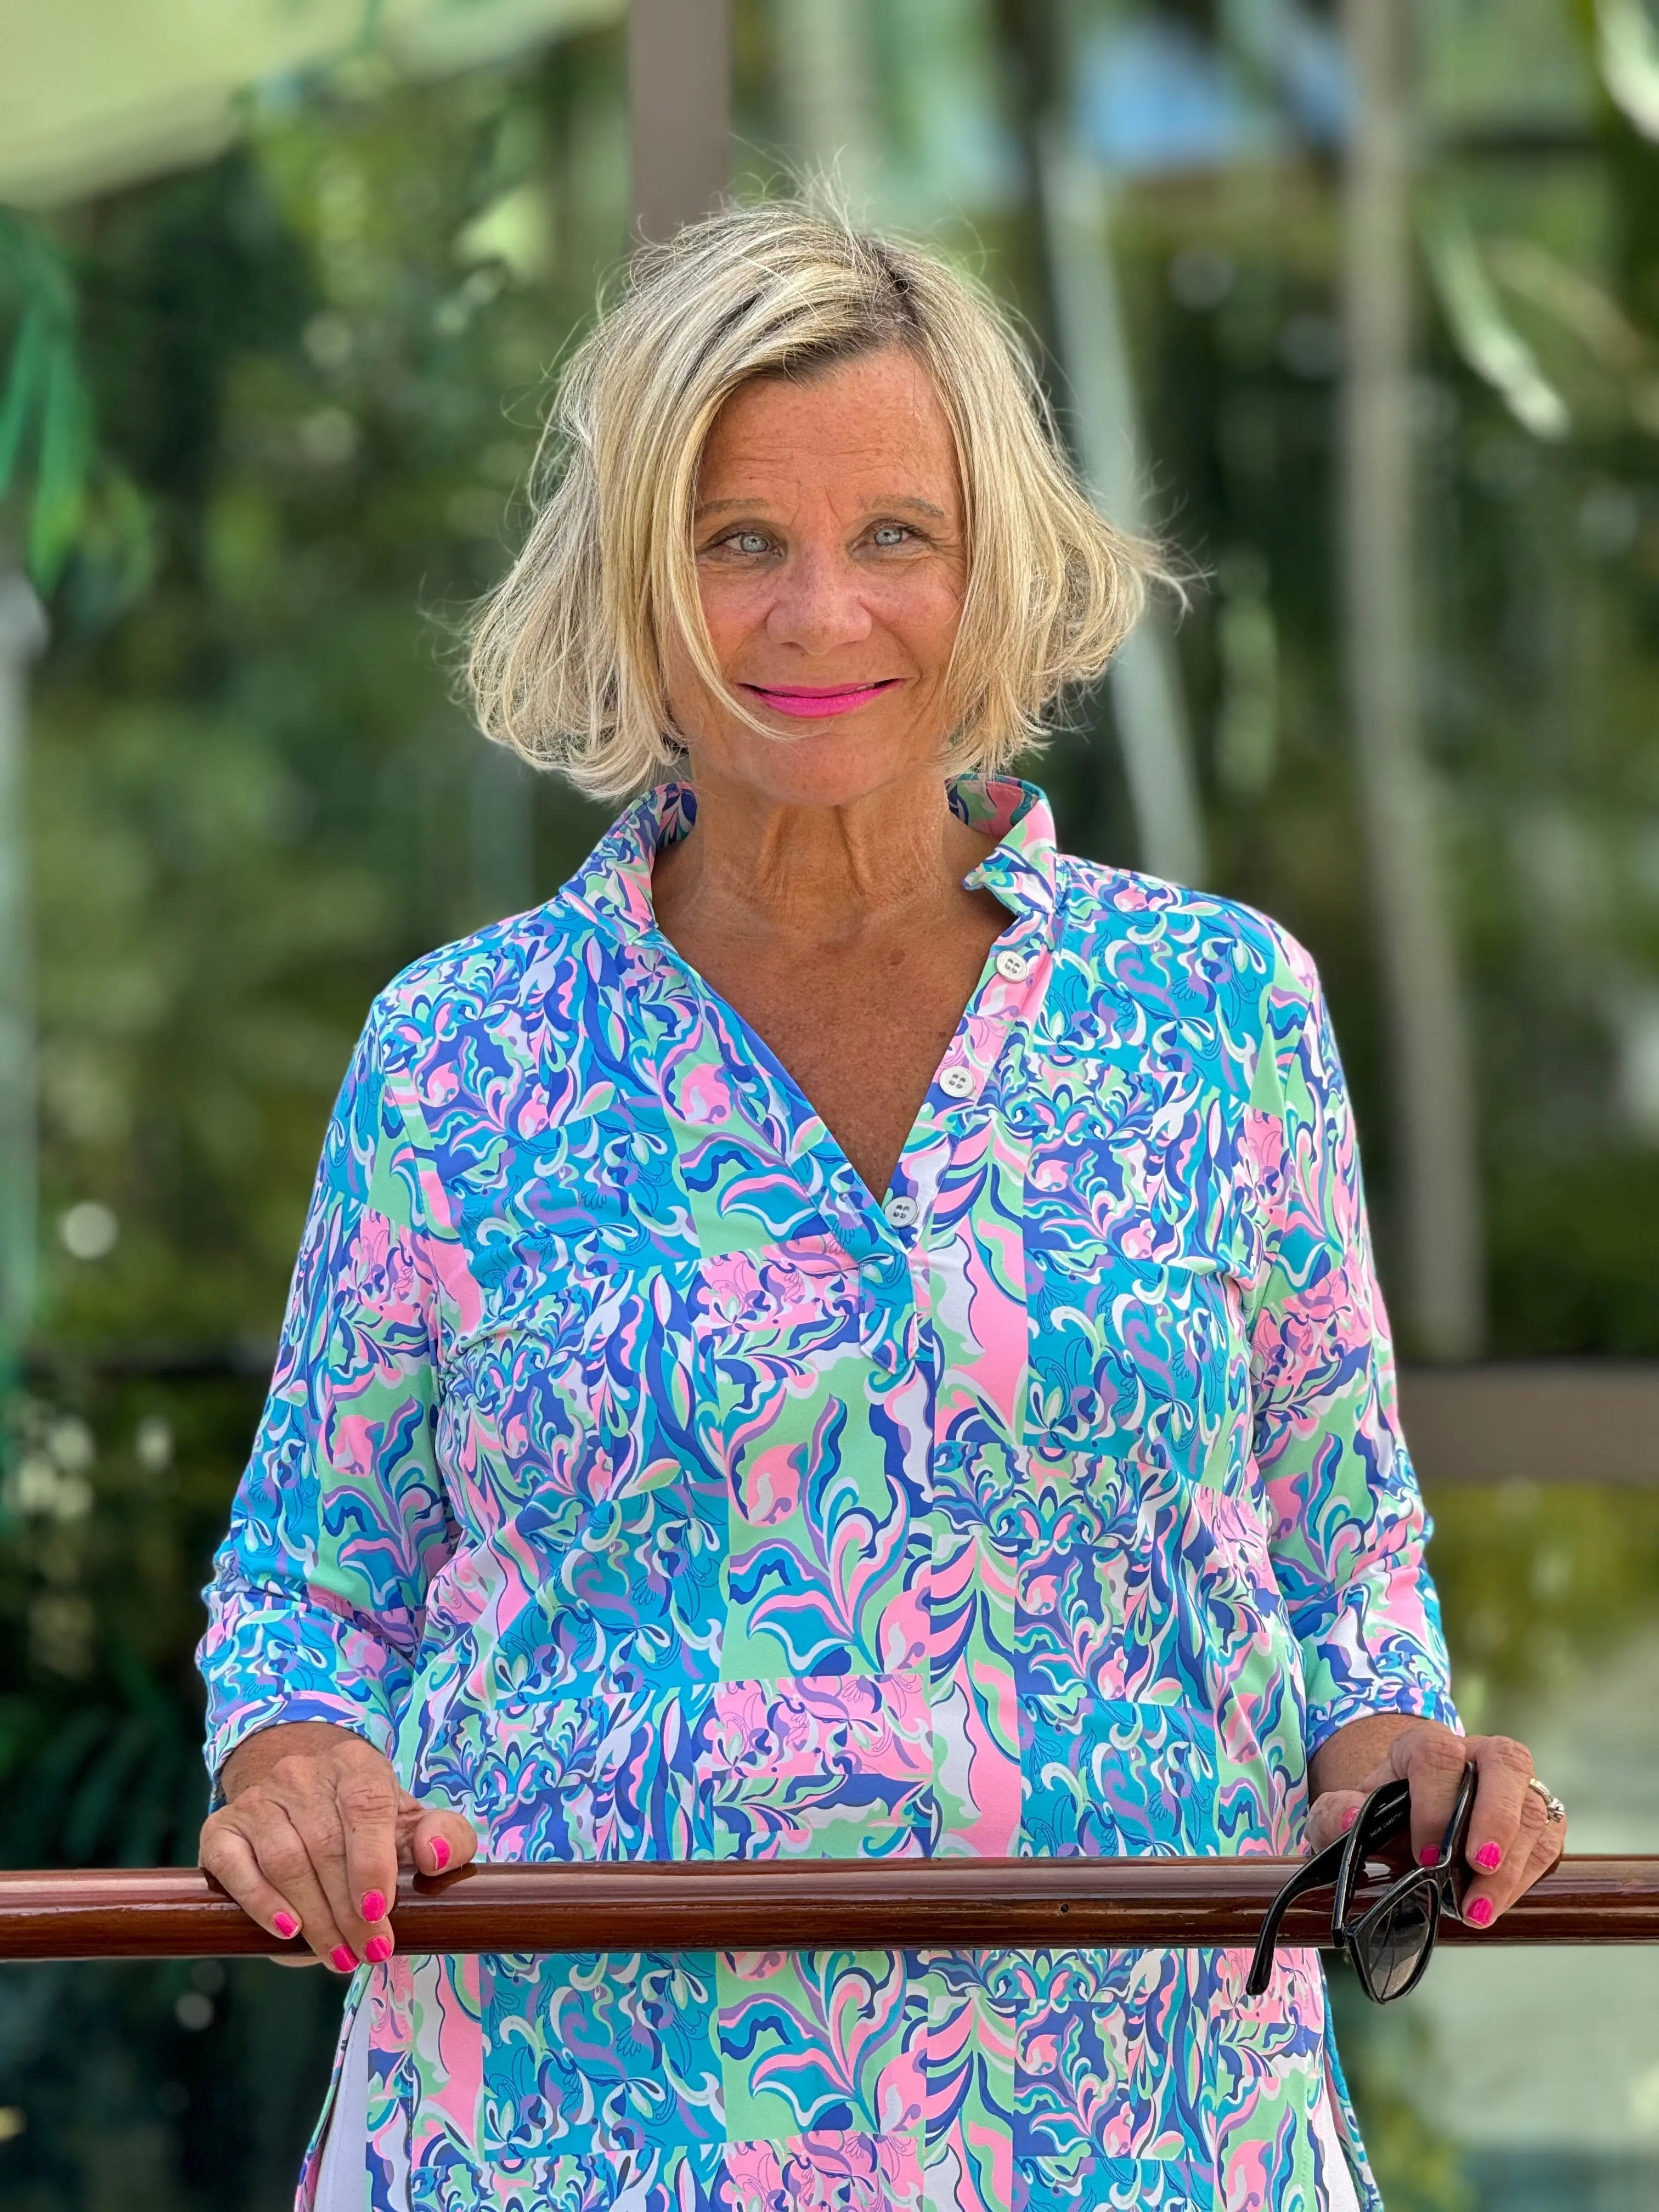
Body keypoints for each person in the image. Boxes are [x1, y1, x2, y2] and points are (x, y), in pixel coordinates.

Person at [196, 200, 1566, 2212]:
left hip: (1146, 2138)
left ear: (992, 562)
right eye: (738, 539)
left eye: (896, 535)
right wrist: (297, 1765)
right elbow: (310, 1591)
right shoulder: (459, 1053)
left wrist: (1394, 1739)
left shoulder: (1218, 1012)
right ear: (635, 580)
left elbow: (1345, 1553)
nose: (820, 615)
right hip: (564, 2136)